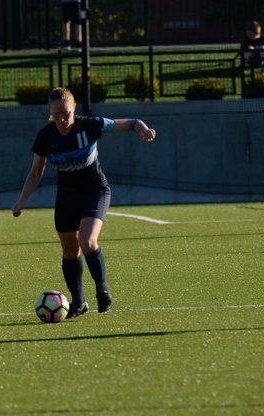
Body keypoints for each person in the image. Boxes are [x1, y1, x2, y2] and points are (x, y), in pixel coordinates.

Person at [12, 88, 156, 319]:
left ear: (74, 108)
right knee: (70, 251)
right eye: (56, 114)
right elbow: (36, 172)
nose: (61, 118)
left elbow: (132, 123)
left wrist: (144, 130)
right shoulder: (46, 135)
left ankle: (102, 290)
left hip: (94, 190)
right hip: (66, 196)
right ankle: (79, 302)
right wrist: (21, 201)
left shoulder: (89, 126)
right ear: (50, 112)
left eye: (66, 113)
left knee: (87, 241)